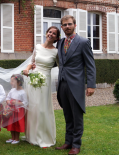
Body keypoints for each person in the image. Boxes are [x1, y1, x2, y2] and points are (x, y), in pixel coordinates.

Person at [55, 15, 96, 155]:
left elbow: (90, 65)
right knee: (67, 115)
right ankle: (68, 142)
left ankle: (76, 145)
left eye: (69, 24)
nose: (67, 27)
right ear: (62, 27)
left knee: (77, 116)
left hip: (76, 84)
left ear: (75, 25)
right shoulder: (60, 43)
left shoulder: (83, 42)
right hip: (62, 84)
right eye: (64, 25)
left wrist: (91, 85)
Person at [22, 26, 60, 147]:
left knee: (43, 108)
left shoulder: (56, 51)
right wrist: (27, 70)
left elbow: (61, 67)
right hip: (33, 79)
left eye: (54, 33)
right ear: (46, 33)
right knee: (33, 107)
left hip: (45, 81)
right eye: (50, 32)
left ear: (56, 38)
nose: (51, 34)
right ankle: (31, 137)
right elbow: (31, 62)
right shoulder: (37, 47)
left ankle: (44, 137)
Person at [4, 74, 28, 144]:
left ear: (19, 82)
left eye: (13, 81)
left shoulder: (23, 92)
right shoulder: (12, 90)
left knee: (17, 124)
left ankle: (17, 138)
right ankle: (12, 137)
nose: (11, 83)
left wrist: (17, 103)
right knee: (12, 123)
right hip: (11, 110)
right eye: (11, 81)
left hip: (19, 111)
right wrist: (8, 102)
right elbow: (8, 97)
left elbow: (26, 102)